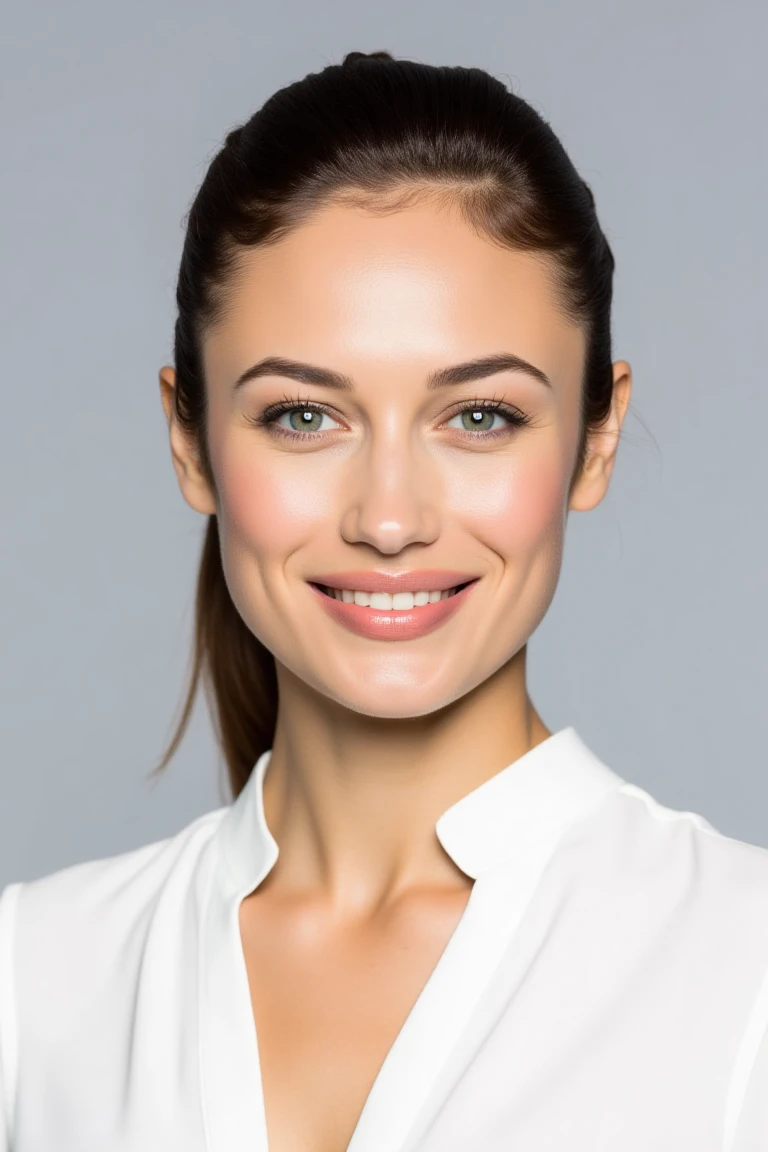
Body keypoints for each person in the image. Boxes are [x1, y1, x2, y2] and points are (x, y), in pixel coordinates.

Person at [1, 49, 767, 1152]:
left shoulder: (744, 976)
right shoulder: (37, 987)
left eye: (482, 416)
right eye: (304, 417)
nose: (391, 518)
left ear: (595, 439)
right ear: (192, 441)